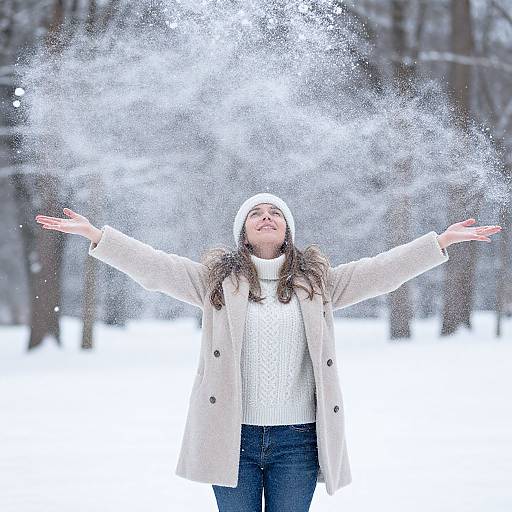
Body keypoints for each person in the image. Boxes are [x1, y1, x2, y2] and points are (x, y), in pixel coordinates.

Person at [35, 193, 502, 512]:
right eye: (255, 212)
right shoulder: (215, 281)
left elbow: (382, 270)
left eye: (274, 213)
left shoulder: (318, 283)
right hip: (231, 438)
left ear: (287, 231)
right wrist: (98, 237)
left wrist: (439, 243)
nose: (265, 217)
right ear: (242, 230)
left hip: (296, 441)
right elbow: (154, 266)